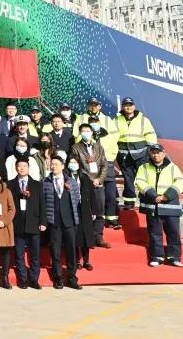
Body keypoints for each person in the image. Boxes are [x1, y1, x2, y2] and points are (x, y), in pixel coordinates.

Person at [135, 142, 183, 267]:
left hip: (170, 206)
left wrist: (166, 196)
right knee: (155, 234)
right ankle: (157, 257)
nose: (155, 155)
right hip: (153, 206)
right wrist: (154, 195)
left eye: (158, 153)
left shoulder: (173, 167)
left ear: (164, 154)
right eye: (153, 153)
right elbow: (140, 182)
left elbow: (180, 183)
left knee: (174, 233)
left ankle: (175, 257)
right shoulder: (143, 168)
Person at [76, 97, 121, 230]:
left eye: (96, 105)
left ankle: (112, 218)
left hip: (107, 161)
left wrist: (109, 156)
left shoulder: (107, 120)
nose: (93, 107)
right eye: (91, 104)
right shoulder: (81, 118)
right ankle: (94, 219)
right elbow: (76, 136)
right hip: (90, 163)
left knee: (110, 192)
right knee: (93, 192)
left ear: (100, 106)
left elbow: (114, 138)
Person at [43, 155, 82, 289]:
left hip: (69, 221)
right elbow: (44, 201)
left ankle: (72, 277)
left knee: (71, 250)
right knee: (55, 251)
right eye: (52, 164)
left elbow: (77, 199)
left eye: (56, 164)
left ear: (62, 166)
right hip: (54, 221)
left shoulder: (71, 181)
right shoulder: (46, 182)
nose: (53, 166)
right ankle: (58, 278)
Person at [8, 158, 46, 289]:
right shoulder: (10, 184)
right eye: (19, 166)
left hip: (34, 223)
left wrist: (43, 221)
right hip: (17, 223)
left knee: (35, 254)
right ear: (16, 168)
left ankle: (34, 279)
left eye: (24, 166)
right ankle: (23, 279)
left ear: (29, 168)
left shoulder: (37, 184)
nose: (22, 168)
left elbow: (42, 204)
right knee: (19, 254)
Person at [71, 122, 109, 248]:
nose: (86, 133)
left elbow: (104, 165)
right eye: (83, 131)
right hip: (85, 184)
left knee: (99, 210)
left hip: (98, 183)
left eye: (88, 131)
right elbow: (75, 166)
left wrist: (100, 179)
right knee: (86, 211)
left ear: (92, 132)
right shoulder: (76, 148)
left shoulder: (99, 147)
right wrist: (87, 180)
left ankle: (99, 237)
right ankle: (88, 238)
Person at [116, 96, 157, 210]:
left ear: (134, 106)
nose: (128, 107)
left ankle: (145, 199)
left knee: (143, 178)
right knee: (128, 179)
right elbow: (113, 136)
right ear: (122, 107)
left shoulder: (143, 120)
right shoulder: (117, 120)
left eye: (130, 105)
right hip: (124, 155)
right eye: (126, 105)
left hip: (141, 154)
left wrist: (149, 151)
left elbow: (151, 135)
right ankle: (129, 202)